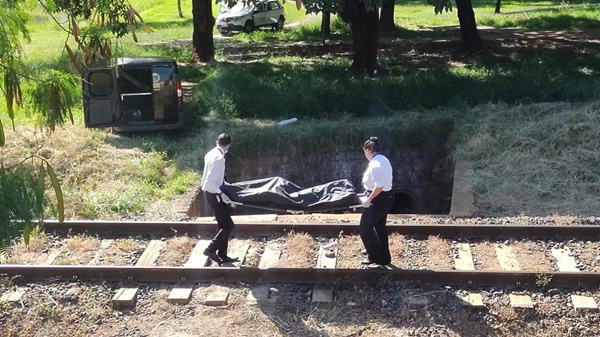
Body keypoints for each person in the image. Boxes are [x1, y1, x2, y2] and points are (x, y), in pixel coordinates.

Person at [201, 133, 239, 265]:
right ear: (228, 145)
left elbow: (214, 178)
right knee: (229, 225)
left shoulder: (210, 153)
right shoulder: (219, 158)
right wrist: (221, 193)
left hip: (212, 193)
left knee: (222, 225)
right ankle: (210, 249)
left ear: (217, 142)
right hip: (214, 194)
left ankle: (222, 255)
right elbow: (209, 182)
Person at [359, 137, 395, 267]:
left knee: (364, 228)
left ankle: (375, 257)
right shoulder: (383, 159)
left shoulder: (375, 165)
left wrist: (369, 199)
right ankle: (384, 257)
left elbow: (379, 187)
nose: (365, 155)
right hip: (386, 197)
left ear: (368, 150)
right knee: (379, 227)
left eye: (364, 152)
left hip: (378, 199)